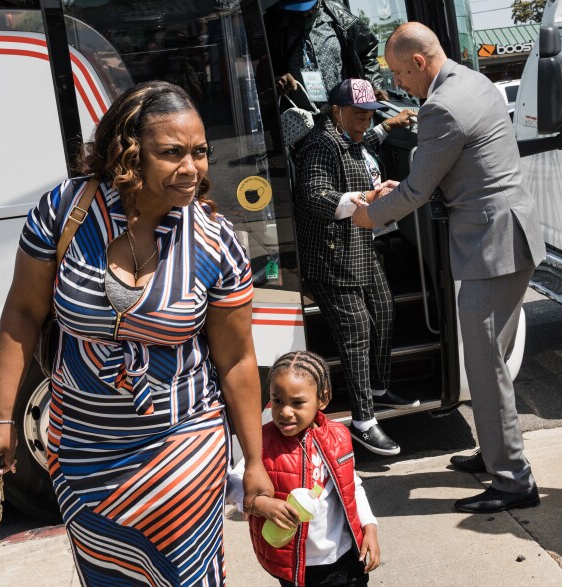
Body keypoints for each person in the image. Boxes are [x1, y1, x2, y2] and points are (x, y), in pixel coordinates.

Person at [0, 80, 273, 585]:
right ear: (129, 153)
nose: (192, 168)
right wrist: (0, 418)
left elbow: (237, 360)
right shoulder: (64, 213)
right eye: (171, 153)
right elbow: (23, 314)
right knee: (106, 574)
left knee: (187, 576)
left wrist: (254, 462)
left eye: (200, 153)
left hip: (184, 442)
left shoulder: (217, 242)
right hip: (84, 448)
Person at [352, 23, 545, 514]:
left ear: (419, 62)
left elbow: (417, 193)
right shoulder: (471, 81)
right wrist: (413, 180)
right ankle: (496, 455)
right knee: (488, 363)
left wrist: (368, 214)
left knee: (485, 367)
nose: (399, 84)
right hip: (506, 238)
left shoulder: (441, 106)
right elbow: (449, 168)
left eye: (399, 73)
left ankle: (513, 481)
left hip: (491, 246)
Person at [295, 77, 417, 456]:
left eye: (370, 114)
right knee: (356, 329)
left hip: (360, 245)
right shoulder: (321, 144)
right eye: (358, 114)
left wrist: (387, 128)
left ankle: (378, 388)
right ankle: (364, 421)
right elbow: (315, 195)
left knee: (383, 308)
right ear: (337, 111)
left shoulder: (352, 137)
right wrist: (369, 196)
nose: (365, 121)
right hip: (330, 256)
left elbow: (366, 144)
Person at [226, 350, 380, 587]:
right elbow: (231, 482)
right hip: (295, 566)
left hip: (346, 557)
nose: (285, 412)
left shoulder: (338, 436)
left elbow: (352, 484)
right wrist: (259, 504)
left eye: (297, 403)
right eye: (277, 401)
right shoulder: (260, 442)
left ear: (323, 399)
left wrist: (369, 526)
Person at [264, 0, 389, 112]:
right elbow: (258, 70)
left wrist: (374, 85)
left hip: (343, 112)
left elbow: (367, 52)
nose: (303, 14)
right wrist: (275, 80)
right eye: (297, 11)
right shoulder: (271, 25)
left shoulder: (340, 17)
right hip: (301, 119)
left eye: (307, 9)